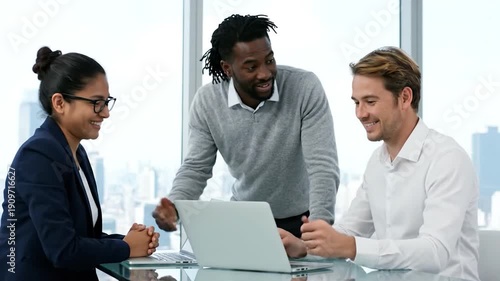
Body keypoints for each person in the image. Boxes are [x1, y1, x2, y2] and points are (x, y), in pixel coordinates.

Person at [280, 46, 480, 281]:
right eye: (356, 103)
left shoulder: (447, 159)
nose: (360, 113)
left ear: (405, 98)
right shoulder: (377, 162)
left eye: (370, 101)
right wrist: (305, 247)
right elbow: (349, 233)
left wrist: (350, 246)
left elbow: (435, 253)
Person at [153, 14, 339, 238]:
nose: (265, 73)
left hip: (304, 221)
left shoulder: (304, 87)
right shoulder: (208, 101)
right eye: (251, 67)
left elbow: (322, 168)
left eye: (269, 60)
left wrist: (319, 230)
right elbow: (196, 168)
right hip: (245, 221)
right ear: (227, 68)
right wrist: (175, 206)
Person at [0, 47, 160, 281]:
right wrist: (126, 248)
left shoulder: (77, 153)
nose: (105, 113)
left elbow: (81, 237)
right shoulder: (38, 155)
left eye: (107, 102)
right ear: (60, 103)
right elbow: (63, 250)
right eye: (96, 103)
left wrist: (129, 241)